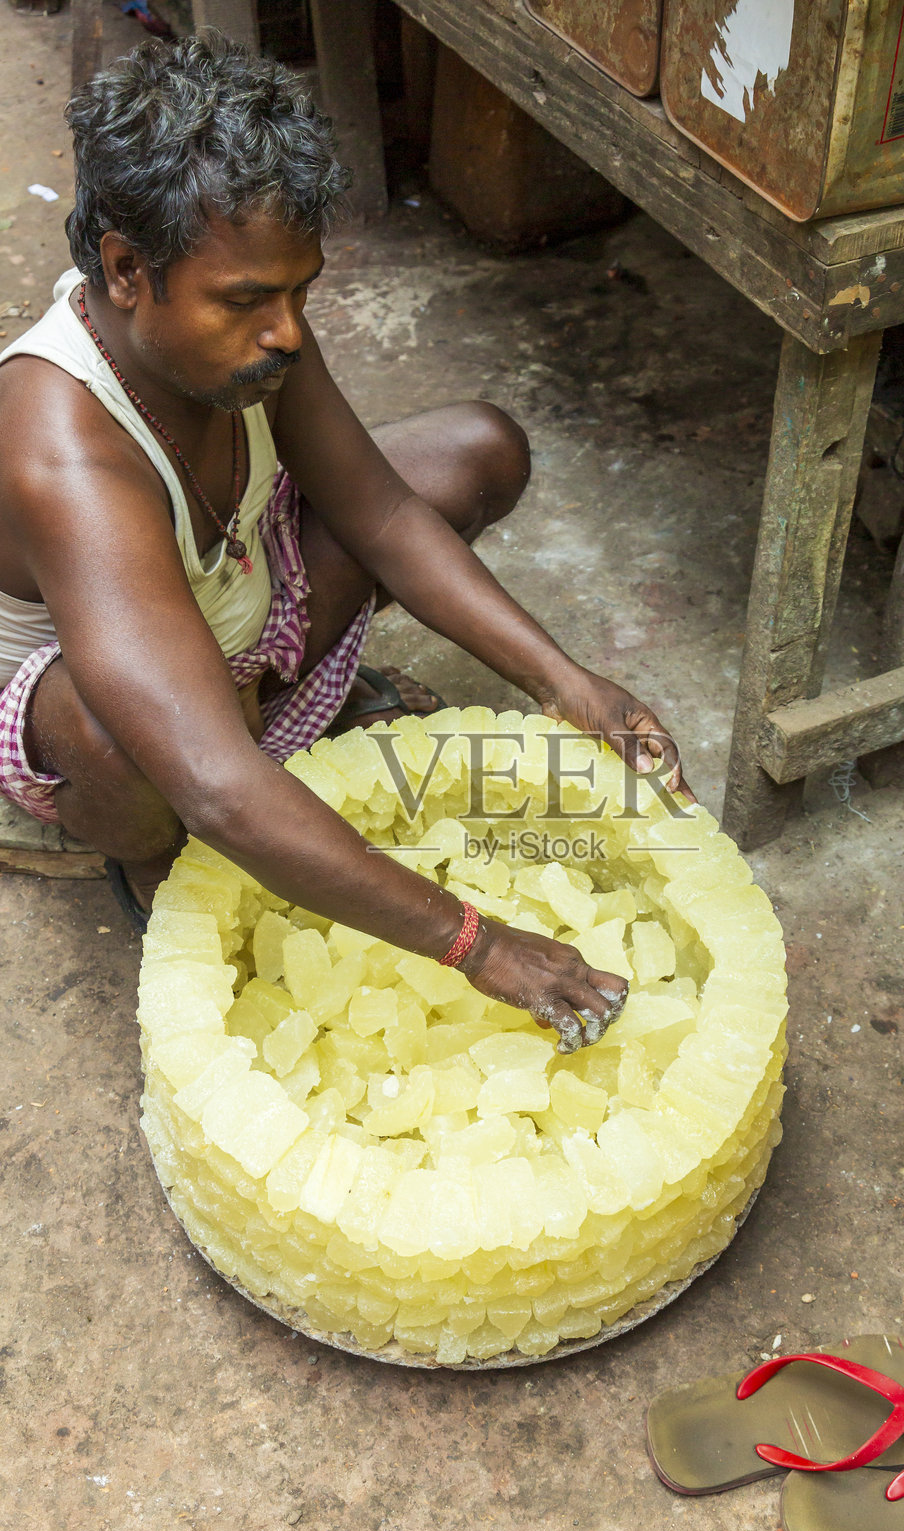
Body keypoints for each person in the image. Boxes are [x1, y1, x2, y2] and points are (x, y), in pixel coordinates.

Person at [0, 31, 693, 1051]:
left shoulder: (249, 322)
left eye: (300, 292)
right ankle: (150, 858)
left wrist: (566, 680)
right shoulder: (58, 450)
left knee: (475, 453)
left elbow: (381, 514)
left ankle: (282, 709)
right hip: (113, 705)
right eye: (248, 301)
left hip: (230, 615)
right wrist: (480, 943)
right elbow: (213, 775)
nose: (285, 330)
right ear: (125, 270)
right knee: (143, 757)